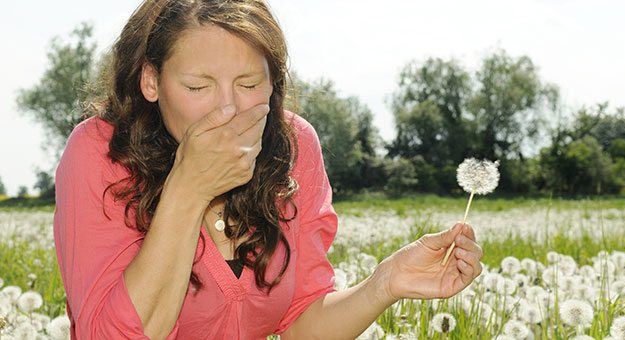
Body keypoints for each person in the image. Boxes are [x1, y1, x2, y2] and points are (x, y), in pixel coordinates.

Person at [52, 0, 484, 339]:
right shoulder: (100, 154)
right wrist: (188, 191)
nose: (228, 108)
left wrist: (385, 283)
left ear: (274, 83)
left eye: (249, 84)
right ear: (151, 81)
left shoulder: (293, 146)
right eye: (197, 86)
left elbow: (302, 323)